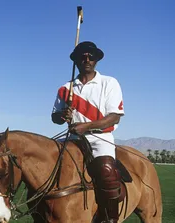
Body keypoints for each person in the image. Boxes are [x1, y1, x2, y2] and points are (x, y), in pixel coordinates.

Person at [51, 41, 125, 223]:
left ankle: (109, 218)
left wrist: (86, 126)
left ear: (96, 60)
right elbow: (54, 117)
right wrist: (63, 115)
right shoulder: (65, 88)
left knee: (107, 171)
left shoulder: (109, 83)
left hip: (100, 139)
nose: (87, 59)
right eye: (82, 56)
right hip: (72, 139)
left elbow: (114, 117)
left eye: (91, 56)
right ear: (75, 60)